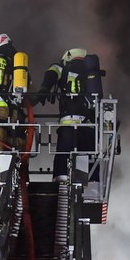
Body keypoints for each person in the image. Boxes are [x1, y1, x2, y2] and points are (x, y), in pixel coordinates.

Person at [36, 48, 103, 181]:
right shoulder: (91, 73)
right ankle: (93, 183)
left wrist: (44, 89)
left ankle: (61, 180)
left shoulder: (62, 67)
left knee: (64, 154)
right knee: (90, 156)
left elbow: (51, 73)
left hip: (69, 124)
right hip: (89, 125)